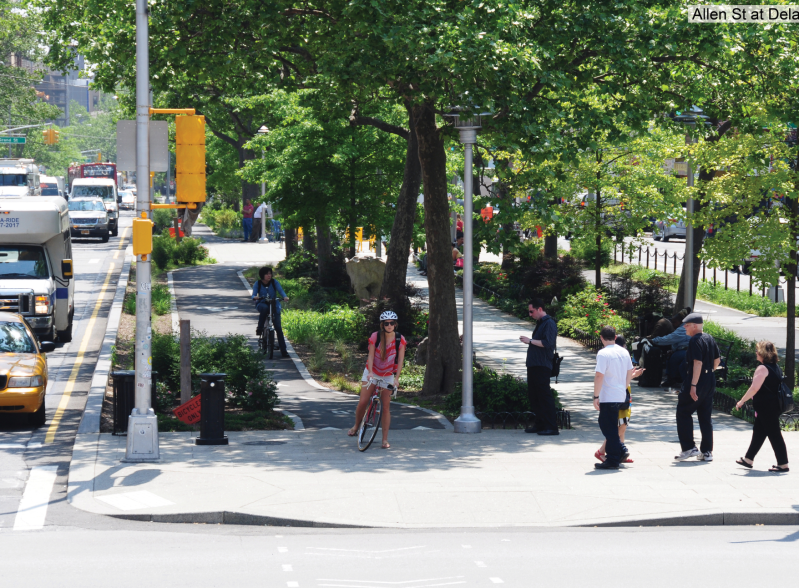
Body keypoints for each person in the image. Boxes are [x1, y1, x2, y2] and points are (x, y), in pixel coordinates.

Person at [348, 311, 406, 449]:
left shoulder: (400, 339)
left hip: (388, 374)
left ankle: (384, 439)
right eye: (387, 323)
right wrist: (371, 373)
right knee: (363, 402)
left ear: (395, 324)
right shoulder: (375, 336)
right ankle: (356, 425)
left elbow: (401, 360)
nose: (390, 325)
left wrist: (396, 379)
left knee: (386, 407)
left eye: (392, 323)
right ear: (382, 325)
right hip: (372, 372)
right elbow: (371, 356)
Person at [735, 341, 789, 472]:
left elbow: (754, 388)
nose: (755, 353)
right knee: (759, 432)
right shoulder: (775, 367)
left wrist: (741, 401)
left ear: (762, 353)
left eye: (757, 351)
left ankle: (783, 464)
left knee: (774, 434)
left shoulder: (762, 368)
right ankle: (748, 459)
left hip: (766, 407)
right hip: (772, 405)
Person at [675, 313, 720, 462]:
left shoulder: (695, 340)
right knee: (705, 416)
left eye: (687, 325)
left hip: (697, 380)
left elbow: (697, 363)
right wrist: (709, 373)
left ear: (694, 326)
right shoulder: (709, 338)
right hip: (709, 379)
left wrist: (693, 384)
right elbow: (717, 360)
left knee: (683, 411)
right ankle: (707, 451)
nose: (684, 327)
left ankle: (688, 447)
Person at [595, 334, 644, 464]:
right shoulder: (622, 353)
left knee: (617, 426)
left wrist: (595, 396)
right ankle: (615, 451)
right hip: (620, 395)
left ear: (602, 337)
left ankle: (617, 453)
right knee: (617, 427)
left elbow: (601, 375)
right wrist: (626, 384)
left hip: (613, 395)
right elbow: (625, 374)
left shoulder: (609, 353)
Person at [520, 298, 559, 436]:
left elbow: (548, 343)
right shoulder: (541, 323)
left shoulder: (549, 323)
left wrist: (530, 341)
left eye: (532, 311)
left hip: (542, 365)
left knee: (543, 395)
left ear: (540, 309)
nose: (530, 314)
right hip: (535, 364)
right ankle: (540, 423)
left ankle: (551, 426)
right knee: (534, 395)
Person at [251, 266, 290, 357]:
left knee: (278, 328)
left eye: (270, 273)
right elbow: (254, 294)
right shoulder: (258, 283)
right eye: (267, 274)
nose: (269, 275)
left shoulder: (274, 282)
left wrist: (285, 297)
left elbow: (281, 290)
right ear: (262, 275)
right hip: (262, 303)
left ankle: (283, 351)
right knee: (264, 308)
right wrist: (255, 297)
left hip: (274, 304)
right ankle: (260, 328)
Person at [651, 313, 691, 386]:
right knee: (671, 355)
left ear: (681, 321)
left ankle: (672, 379)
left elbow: (669, 339)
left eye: (674, 322)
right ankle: (673, 378)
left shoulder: (682, 329)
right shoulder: (684, 327)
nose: (672, 324)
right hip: (685, 350)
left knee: (674, 358)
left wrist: (654, 340)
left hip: (686, 351)